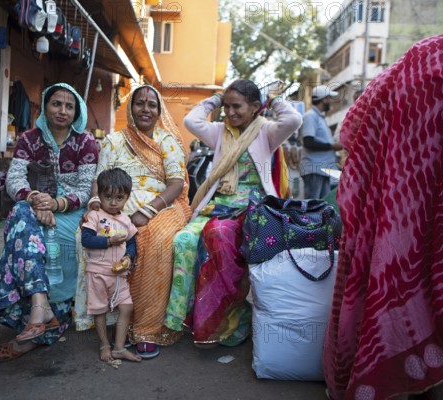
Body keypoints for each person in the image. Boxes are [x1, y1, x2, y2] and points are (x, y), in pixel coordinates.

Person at [323, 34, 443, 400]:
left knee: (389, 280)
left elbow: (351, 128)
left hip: (393, 216)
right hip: (421, 212)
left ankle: (391, 379)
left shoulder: (418, 58)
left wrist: (386, 166)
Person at [165, 79, 302, 347]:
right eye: (226, 107)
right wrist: (215, 99)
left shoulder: (268, 132)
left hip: (252, 208)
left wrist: (272, 100)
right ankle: (181, 317)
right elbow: (192, 122)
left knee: (218, 234)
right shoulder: (219, 132)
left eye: (236, 106)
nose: (229, 113)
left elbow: (294, 120)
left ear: (254, 107)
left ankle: (229, 319)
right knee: (183, 240)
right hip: (217, 204)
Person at [0, 83, 99, 362]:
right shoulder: (29, 139)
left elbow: (86, 190)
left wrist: (56, 204)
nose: (62, 110)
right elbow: (14, 180)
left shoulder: (85, 142)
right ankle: (40, 305)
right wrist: (36, 198)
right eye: (56, 104)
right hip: (35, 203)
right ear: (45, 107)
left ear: (76, 112)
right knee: (20, 216)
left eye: (69, 106)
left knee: (55, 238)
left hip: (71, 209)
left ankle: (43, 320)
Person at [86, 85, 192, 359]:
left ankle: (147, 327)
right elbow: (100, 180)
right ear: (130, 109)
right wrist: (95, 207)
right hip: (117, 204)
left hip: (164, 204)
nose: (146, 109)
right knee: (105, 235)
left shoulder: (168, 141)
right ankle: (113, 318)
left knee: (154, 238)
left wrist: (148, 210)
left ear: (159, 111)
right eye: (140, 103)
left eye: (152, 105)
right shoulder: (114, 141)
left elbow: (176, 184)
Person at [81, 168, 141, 363]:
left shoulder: (126, 220)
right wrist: (109, 241)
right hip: (97, 273)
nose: (113, 202)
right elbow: (86, 239)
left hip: (119, 275)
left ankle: (119, 348)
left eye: (119, 198)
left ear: (127, 198)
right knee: (99, 311)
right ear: (99, 195)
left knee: (127, 307)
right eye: (108, 197)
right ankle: (104, 345)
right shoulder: (95, 216)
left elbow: (132, 242)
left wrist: (129, 258)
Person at [299, 85, 343, 199]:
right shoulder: (310, 116)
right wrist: (333, 146)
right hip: (314, 168)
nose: (330, 102)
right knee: (312, 206)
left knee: (322, 207)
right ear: (323, 99)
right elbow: (308, 142)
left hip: (322, 169)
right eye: (328, 99)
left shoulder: (319, 117)